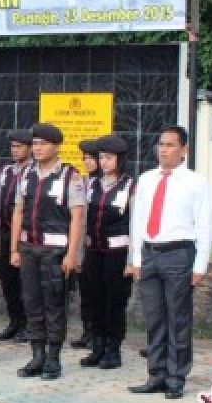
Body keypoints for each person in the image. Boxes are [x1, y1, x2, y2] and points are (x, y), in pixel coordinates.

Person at [127, 125, 212, 400]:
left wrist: (200, 265)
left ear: (184, 150)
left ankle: (176, 376)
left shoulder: (195, 182)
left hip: (178, 253)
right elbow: (138, 220)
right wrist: (137, 257)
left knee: (177, 318)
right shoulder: (147, 179)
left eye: (170, 145)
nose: (164, 150)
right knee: (154, 317)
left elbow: (204, 225)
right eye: (161, 144)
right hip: (150, 252)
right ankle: (156, 374)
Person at [9, 123, 86, 381]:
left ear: (56, 146)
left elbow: (77, 217)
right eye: (35, 144)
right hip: (29, 248)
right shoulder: (26, 175)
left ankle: (53, 358)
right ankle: (37, 355)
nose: (38, 149)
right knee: (31, 302)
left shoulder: (70, 176)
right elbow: (19, 211)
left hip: (55, 251)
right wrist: (14, 248)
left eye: (43, 144)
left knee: (54, 304)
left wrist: (72, 254)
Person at [78, 135, 135, 369]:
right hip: (93, 251)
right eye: (101, 157)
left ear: (120, 160)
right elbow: (81, 222)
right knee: (93, 299)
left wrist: (133, 259)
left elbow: (135, 224)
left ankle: (114, 349)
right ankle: (97, 346)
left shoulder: (130, 186)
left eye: (109, 158)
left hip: (117, 254)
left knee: (115, 301)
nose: (104, 162)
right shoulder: (90, 184)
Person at [0, 129, 32, 341]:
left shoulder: (33, 171)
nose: (14, 150)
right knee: (7, 280)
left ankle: (28, 324)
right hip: (6, 232)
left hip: (26, 234)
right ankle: (14, 321)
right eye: (12, 147)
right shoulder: (6, 171)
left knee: (25, 282)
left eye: (19, 147)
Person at [72, 139, 101, 349]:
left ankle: (98, 334)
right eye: (85, 158)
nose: (87, 162)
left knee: (97, 292)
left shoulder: (103, 183)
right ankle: (88, 331)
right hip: (83, 244)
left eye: (91, 158)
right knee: (86, 292)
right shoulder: (82, 182)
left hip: (99, 244)